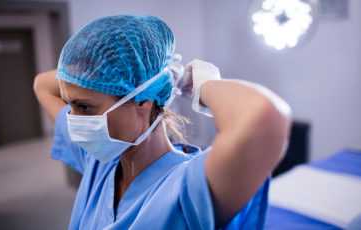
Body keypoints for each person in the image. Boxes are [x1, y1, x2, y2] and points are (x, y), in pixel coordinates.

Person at [33, 15, 291, 230]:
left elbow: (264, 117)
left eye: (84, 107)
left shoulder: (187, 188)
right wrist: (102, 74)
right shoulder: (99, 163)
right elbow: (42, 85)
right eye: (70, 104)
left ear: (142, 101)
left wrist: (204, 85)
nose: (72, 121)